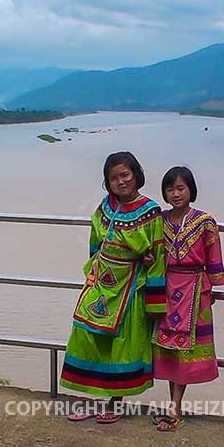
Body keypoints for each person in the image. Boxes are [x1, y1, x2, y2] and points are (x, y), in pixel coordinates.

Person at [61, 151, 167, 424]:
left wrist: (155, 302)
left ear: (136, 176)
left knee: (121, 346)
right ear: (107, 183)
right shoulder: (105, 207)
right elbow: (95, 241)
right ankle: (88, 398)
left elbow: (157, 257)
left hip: (130, 285)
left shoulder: (150, 211)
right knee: (87, 337)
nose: (120, 182)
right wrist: (92, 271)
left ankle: (114, 403)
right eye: (114, 178)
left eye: (125, 175)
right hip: (102, 282)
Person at [152, 166, 224, 432]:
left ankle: (175, 407)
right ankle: (174, 406)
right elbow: (151, 254)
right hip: (167, 288)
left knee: (185, 348)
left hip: (194, 290)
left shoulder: (206, 221)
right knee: (168, 347)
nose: (175, 193)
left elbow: (214, 255)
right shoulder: (159, 220)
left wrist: (213, 287)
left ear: (191, 189)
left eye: (180, 188)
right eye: (170, 189)